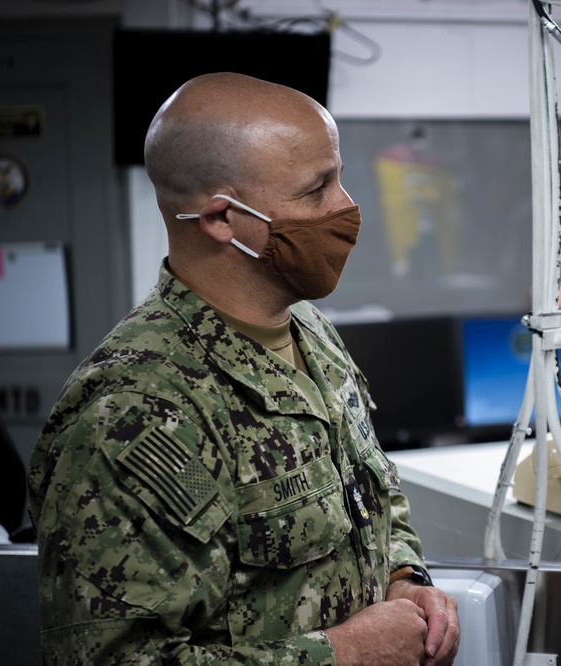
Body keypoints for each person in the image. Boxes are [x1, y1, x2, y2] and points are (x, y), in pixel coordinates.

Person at [27, 72, 459, 665]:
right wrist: (343, 655)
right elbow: (114, 659)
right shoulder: (135, 411)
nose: (347, 206)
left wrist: (405, 578)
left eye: (340, 177)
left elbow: (371, 496)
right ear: (223, 219)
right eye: (318, 189)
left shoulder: (311, 333)